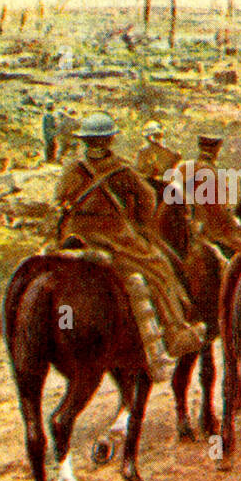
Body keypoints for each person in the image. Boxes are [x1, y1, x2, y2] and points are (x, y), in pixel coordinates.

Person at [54, 112, 204, 358]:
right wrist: (140, 225)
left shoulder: (72, 169)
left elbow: (59, 199)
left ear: (85, 141)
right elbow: (147, 197)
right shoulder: (122, 170)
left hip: (74, 233)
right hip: (115, 236)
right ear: (110, 140)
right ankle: (175, 332)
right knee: (159, 268)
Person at [186, 134, 241, 255]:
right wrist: (233, 223)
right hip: (210, 229)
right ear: (215, 149)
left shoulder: (189, 167)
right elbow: (217, 208)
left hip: (190, 224)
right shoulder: (210, 172)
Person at [136, 120, 181, 186]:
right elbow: (141, 171)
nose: (160, 138)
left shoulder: (169, 153)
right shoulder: (143, 153)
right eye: (157, 135)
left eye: (159, 135)